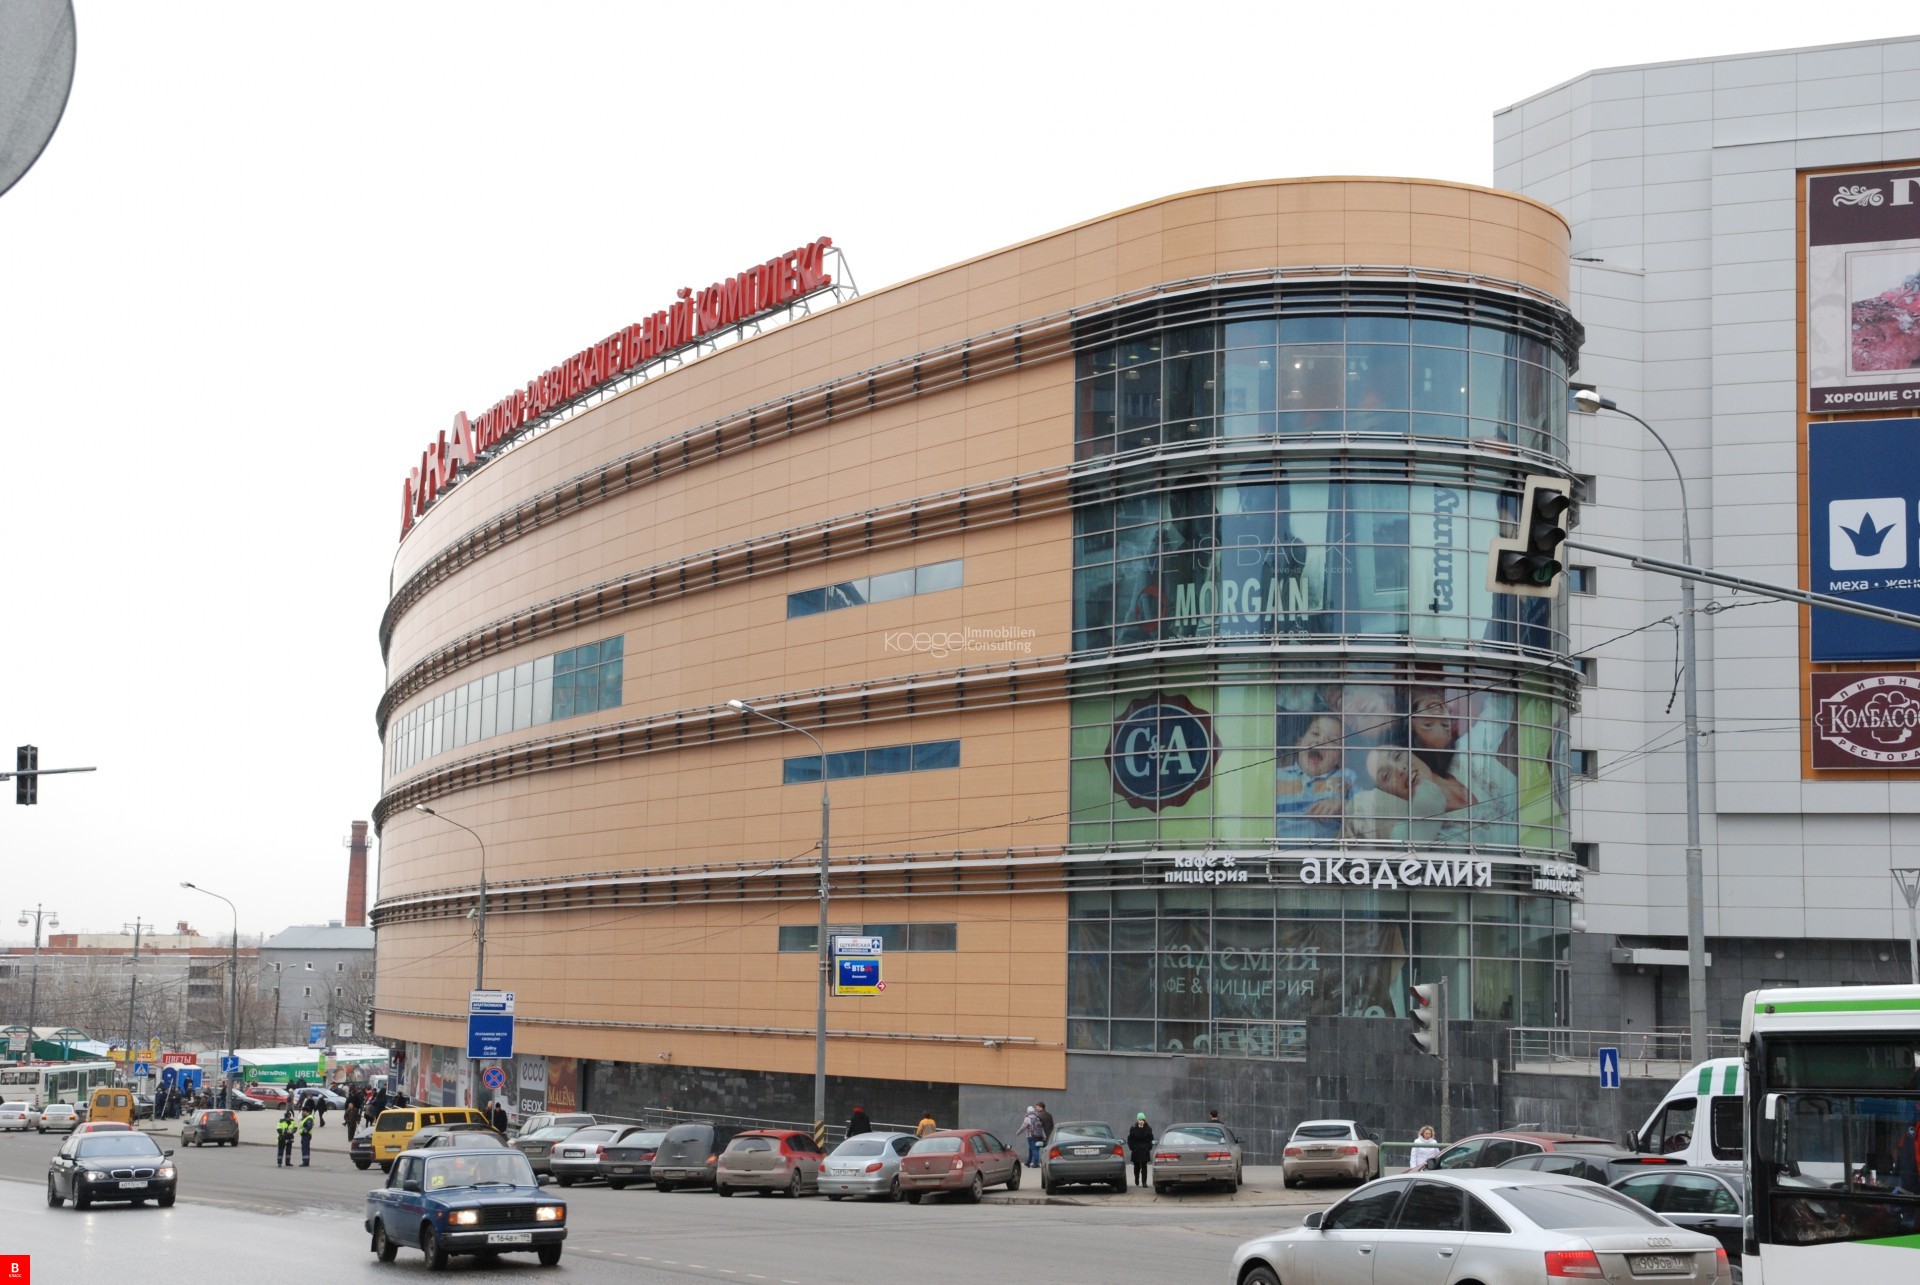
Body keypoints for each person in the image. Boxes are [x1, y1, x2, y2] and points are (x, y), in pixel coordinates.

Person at [1126, 1113, 1155, 1188]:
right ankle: (1136, 1178)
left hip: (1145, 1151)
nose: (1141, 1121)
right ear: (1137, 1120)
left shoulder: (1148, 1129)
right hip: (1136, 1151)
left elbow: (1151, 1139)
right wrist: (1132, 1148)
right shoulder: (1133, 1129)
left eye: (1142, 1120)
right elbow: (1130, 1139)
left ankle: (1144, 1182)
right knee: (1136, 1167)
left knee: (1144, 1167)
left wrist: (1149, 1147)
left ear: (1144, 1120)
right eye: (1140, 1120)